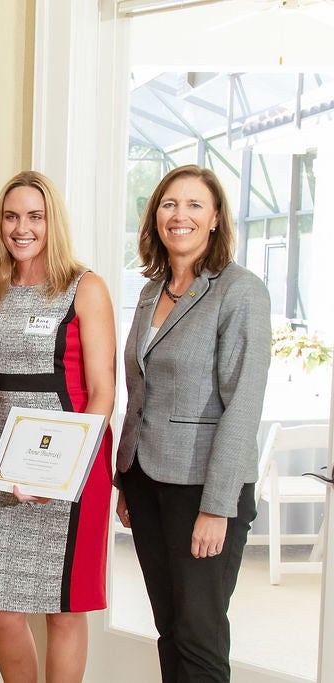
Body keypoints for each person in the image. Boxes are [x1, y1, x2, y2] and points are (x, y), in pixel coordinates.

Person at [115, 165, 270, 682]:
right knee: (170, 629)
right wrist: (125, 478)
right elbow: (140, 390)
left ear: (215, 219)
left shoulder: (239, 291)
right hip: (147, 481)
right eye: (168, 204)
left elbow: (242, 406)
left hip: (204, 490)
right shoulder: (151, 290)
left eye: (194, 205)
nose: (179, 215)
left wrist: (217, 508)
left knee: (200, 635)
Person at [0, 171, 115, 683]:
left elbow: (102, 390)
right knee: (1, 606)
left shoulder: (86, 287)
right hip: (9, 464)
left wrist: (62, 471)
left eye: (35, 216)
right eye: (12, 217)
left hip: (72, 465)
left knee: (63, 607)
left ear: (51, 222)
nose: (22, 227)